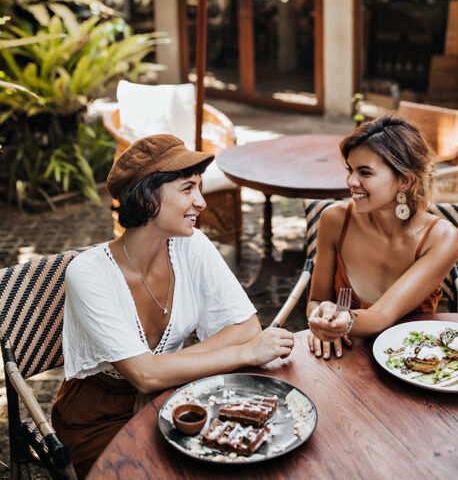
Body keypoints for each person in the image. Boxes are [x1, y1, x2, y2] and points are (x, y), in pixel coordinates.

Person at [52, 134, 294, 477]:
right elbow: (144, 374)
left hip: (173, 396)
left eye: (199, 188)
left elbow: (246, 328)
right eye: (187, 189)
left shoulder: (190, 245)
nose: (202, 202)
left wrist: (162, 368)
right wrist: (246, 354)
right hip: (99, 417)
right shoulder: (88, 272)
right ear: (149, 196)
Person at [307, 113, 458, 360]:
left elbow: (381, 316)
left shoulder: (442, 239)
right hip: (342, 359)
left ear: (404, 181)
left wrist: (342, 321)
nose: (351, 181)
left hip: (413, 366)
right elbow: (317, 299)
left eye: (365, 173)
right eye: (350, 170)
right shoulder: (334, 220)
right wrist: (321, 322)